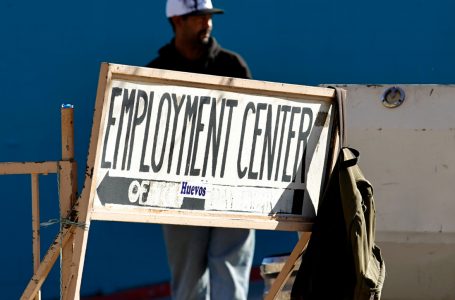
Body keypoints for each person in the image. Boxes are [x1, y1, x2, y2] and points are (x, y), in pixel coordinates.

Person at [146, 1, 255, 299]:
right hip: (180, 189)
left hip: (232, 187)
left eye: (208, 16)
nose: (207, 23)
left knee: (231, 274)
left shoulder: (233, 66)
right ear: (177, 21)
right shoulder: (155, 73)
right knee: (188, 280)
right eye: (198, 17)